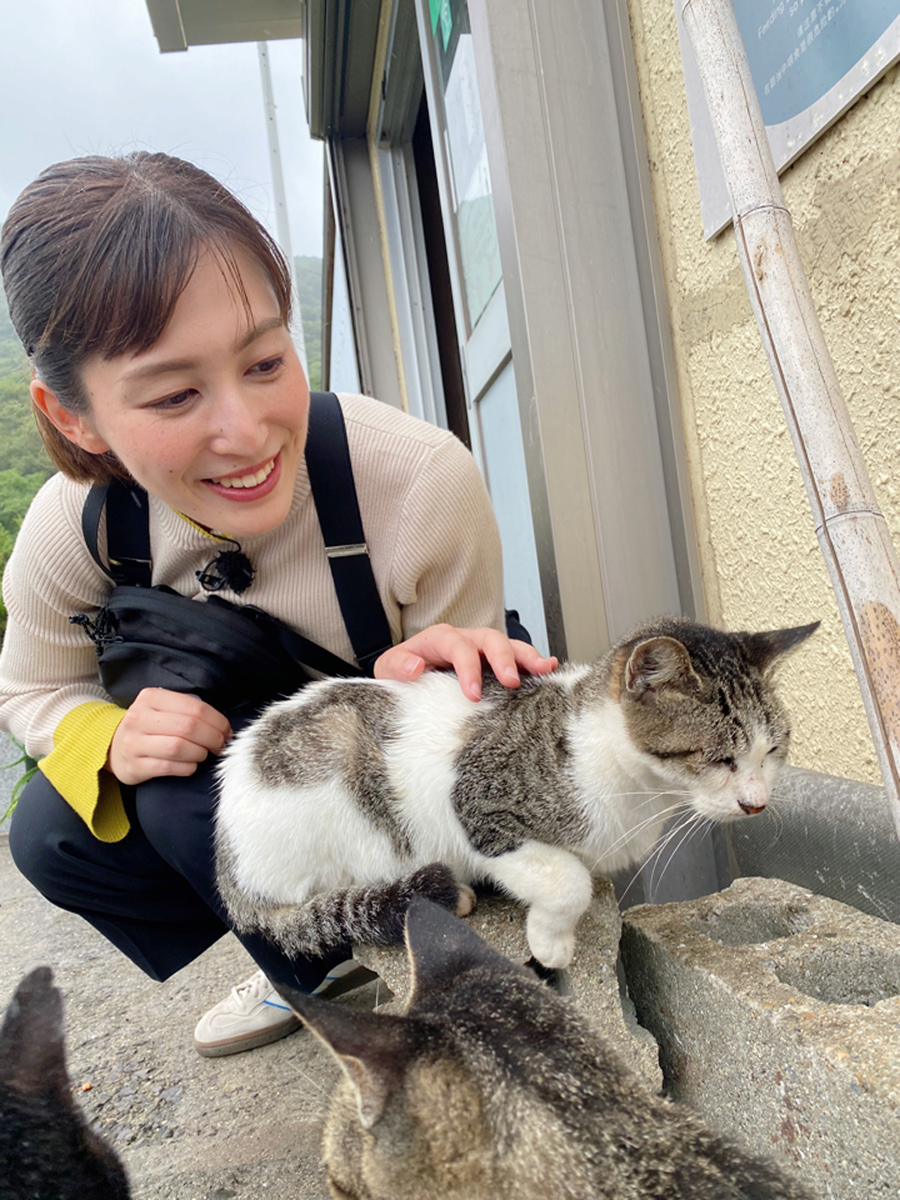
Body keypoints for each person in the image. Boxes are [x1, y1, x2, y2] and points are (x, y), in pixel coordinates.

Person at [0, 152, 556, 1057]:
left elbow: (482, 760)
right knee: (57, 831)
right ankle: (306, 964)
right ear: (75, 420)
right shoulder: (78, 526)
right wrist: (110, 738)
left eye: (265, 360)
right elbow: (30, 691)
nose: (247, 430)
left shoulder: (416, 480)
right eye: (177, 393)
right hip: (251, 781)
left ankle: (432, 965)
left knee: (235, 803)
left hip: (392, 778)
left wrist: (423, 691)